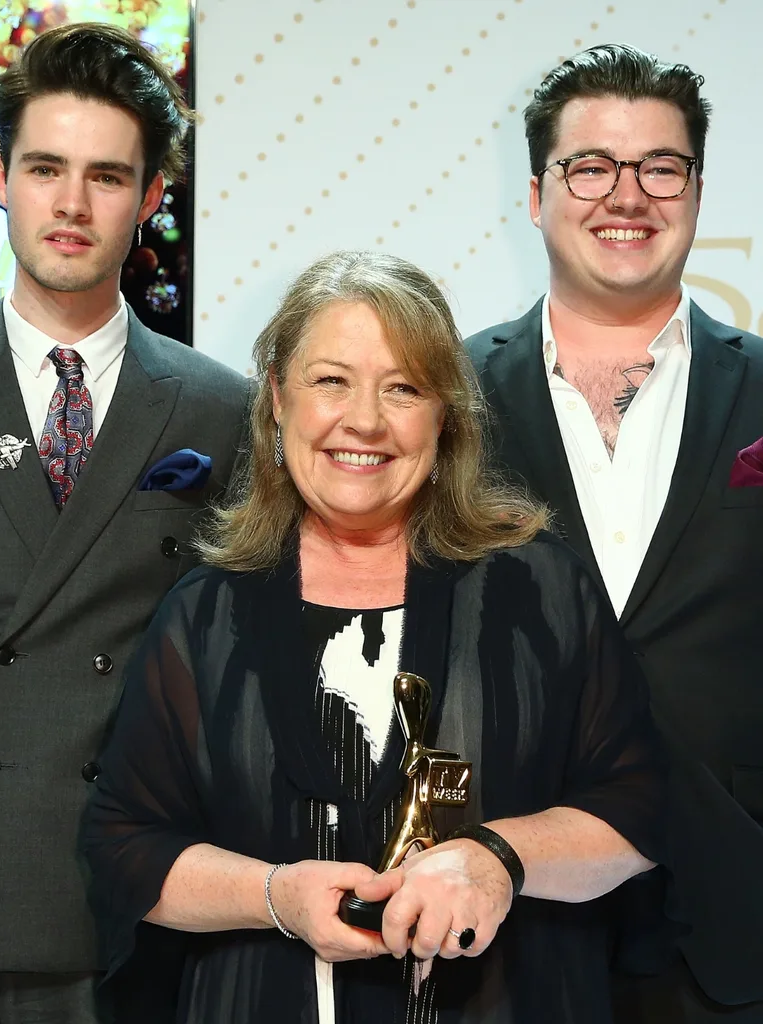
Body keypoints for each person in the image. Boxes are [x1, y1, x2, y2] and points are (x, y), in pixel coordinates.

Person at [83, 250, 667, 1024]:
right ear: (276, 402)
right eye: (330, 380)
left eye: (402, 388)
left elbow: (638, 807)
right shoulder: (205, 614)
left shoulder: (538, 590)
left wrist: (498, 859)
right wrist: (274, 897)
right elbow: (125, 845)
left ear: (445, 417)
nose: (363, 420)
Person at [0, 23, 249, 1024]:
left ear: (148, 200)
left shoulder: (219, 410)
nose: (69, 202)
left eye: (105, 176)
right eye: (45, 167)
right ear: (2, 178)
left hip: (129, 895)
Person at [465, 43, 763, 1024]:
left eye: (659, 167)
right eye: (589, 166)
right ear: (536, 192)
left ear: (696, 189)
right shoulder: (441, 398)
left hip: (728, 918)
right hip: (500, 910)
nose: (624, 195)